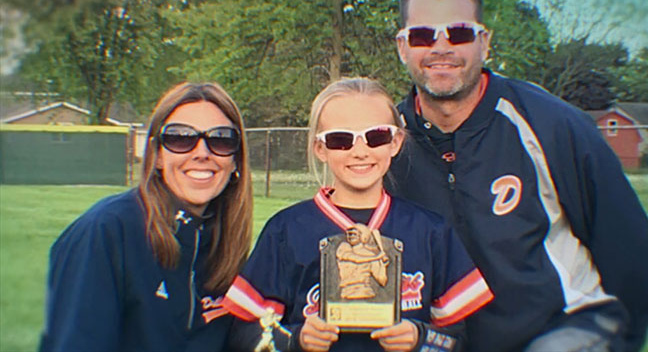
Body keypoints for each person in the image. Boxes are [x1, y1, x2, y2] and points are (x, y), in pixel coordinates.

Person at [386, 0, 648, 352]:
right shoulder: (384, 141)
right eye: (422, 35)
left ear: (484, 43)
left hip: (559, 328)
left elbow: (627, 248)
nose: (441, 47)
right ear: (403, 47)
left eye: (459, 33)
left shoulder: (552, 125)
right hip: (442, 339)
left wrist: (626, 338)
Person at [223, 77, 493, 351]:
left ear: (396, 142)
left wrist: (419, 337)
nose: (361, 151)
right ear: (320, 148)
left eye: (377, 136)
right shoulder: (286, 231)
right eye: (341, 139)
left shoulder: (431, 231)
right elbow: (243, 335)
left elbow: (459, 340)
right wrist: (294, 340)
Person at [39, 82, 254, 351]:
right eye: (180, 138)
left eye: (221, 139)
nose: (202, 153)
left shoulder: (224, 242)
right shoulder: (105, 232)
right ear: (157, 155)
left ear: (236, 160)